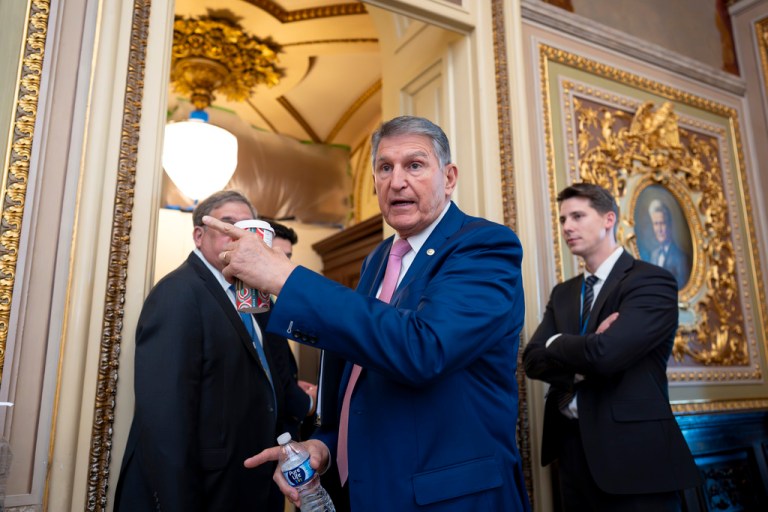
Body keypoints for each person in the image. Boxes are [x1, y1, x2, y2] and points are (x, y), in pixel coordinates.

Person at [204, 116, 530, 511]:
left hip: (449, 498)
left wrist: (287, 279)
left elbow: (423, 349)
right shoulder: (378, 258)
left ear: (449, 177)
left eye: (414, 165)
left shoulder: (485, 246)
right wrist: (325, 445)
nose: (396, 181)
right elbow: (362, 370)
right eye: (384, 167)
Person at [114, 190, 312, 511]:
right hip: (202, 490)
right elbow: (166, 419)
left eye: (246, 227)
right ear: (198, 235)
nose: (237, 233)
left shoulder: (247, 299)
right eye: (227, 223)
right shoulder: (178, 292)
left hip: (243, 483)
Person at [523, 183, 701, 511]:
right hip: (571, 454)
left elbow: (606, 355)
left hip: (634, 458)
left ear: (609, 219)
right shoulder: (564, 293)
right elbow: (533, 359)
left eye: (577, 216)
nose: (567, 227)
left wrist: (557, 343)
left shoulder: (651, 280)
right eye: (563, 219)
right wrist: (584, 350)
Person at [268, 220, 318, 441]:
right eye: (279, 256)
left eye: (288, 257)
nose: (286, 265)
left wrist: (290, 380)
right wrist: (311, 402)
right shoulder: (252, 306)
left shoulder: (270, 302)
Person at [647, 198, 691, 288]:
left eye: (662, 223)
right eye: (656, 224)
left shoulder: (681, 257)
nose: (659, 229)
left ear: (670, 225)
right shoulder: (653, 255)